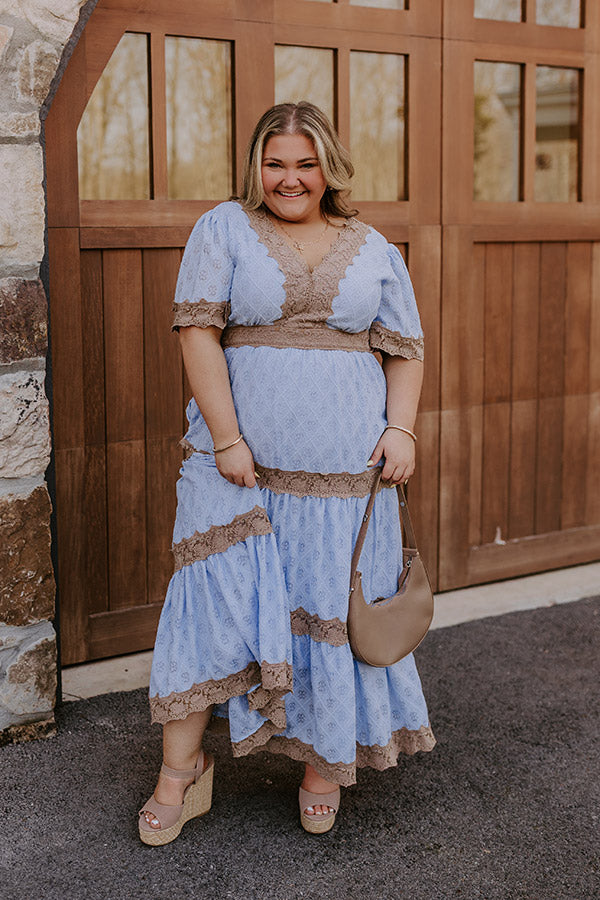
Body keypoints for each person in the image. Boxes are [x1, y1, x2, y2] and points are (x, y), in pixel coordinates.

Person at [139, 101, 435, 844]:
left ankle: (321, 765)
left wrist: (401, 428)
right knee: (213, 608)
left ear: (329, 167)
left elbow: (405, 347)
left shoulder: (372, 245)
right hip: (238, 470)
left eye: (306, 164)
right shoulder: (223, 228)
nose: (290, 178)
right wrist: (230, 438)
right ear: (256, 167)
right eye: (276, 163)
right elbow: (198, 332)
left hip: (346, 479)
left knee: (329, 609)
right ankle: (181, 775)